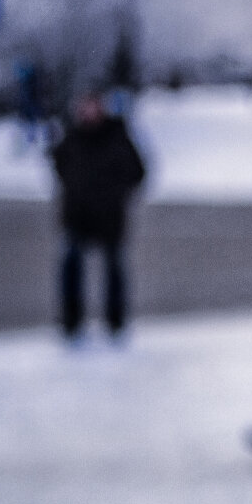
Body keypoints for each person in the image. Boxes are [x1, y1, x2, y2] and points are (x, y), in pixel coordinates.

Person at [51, 90, 146, 344]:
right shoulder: (72, 136)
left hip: (109, 217)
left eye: (92, 106)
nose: (88, 111)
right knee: (71, 267)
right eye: (84, 106)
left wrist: (113, 193)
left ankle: (115, 323)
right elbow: (58, 164)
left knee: (114, 270)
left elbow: (138, 172)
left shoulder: (117, 136)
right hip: (77, 216)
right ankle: (72, 324)